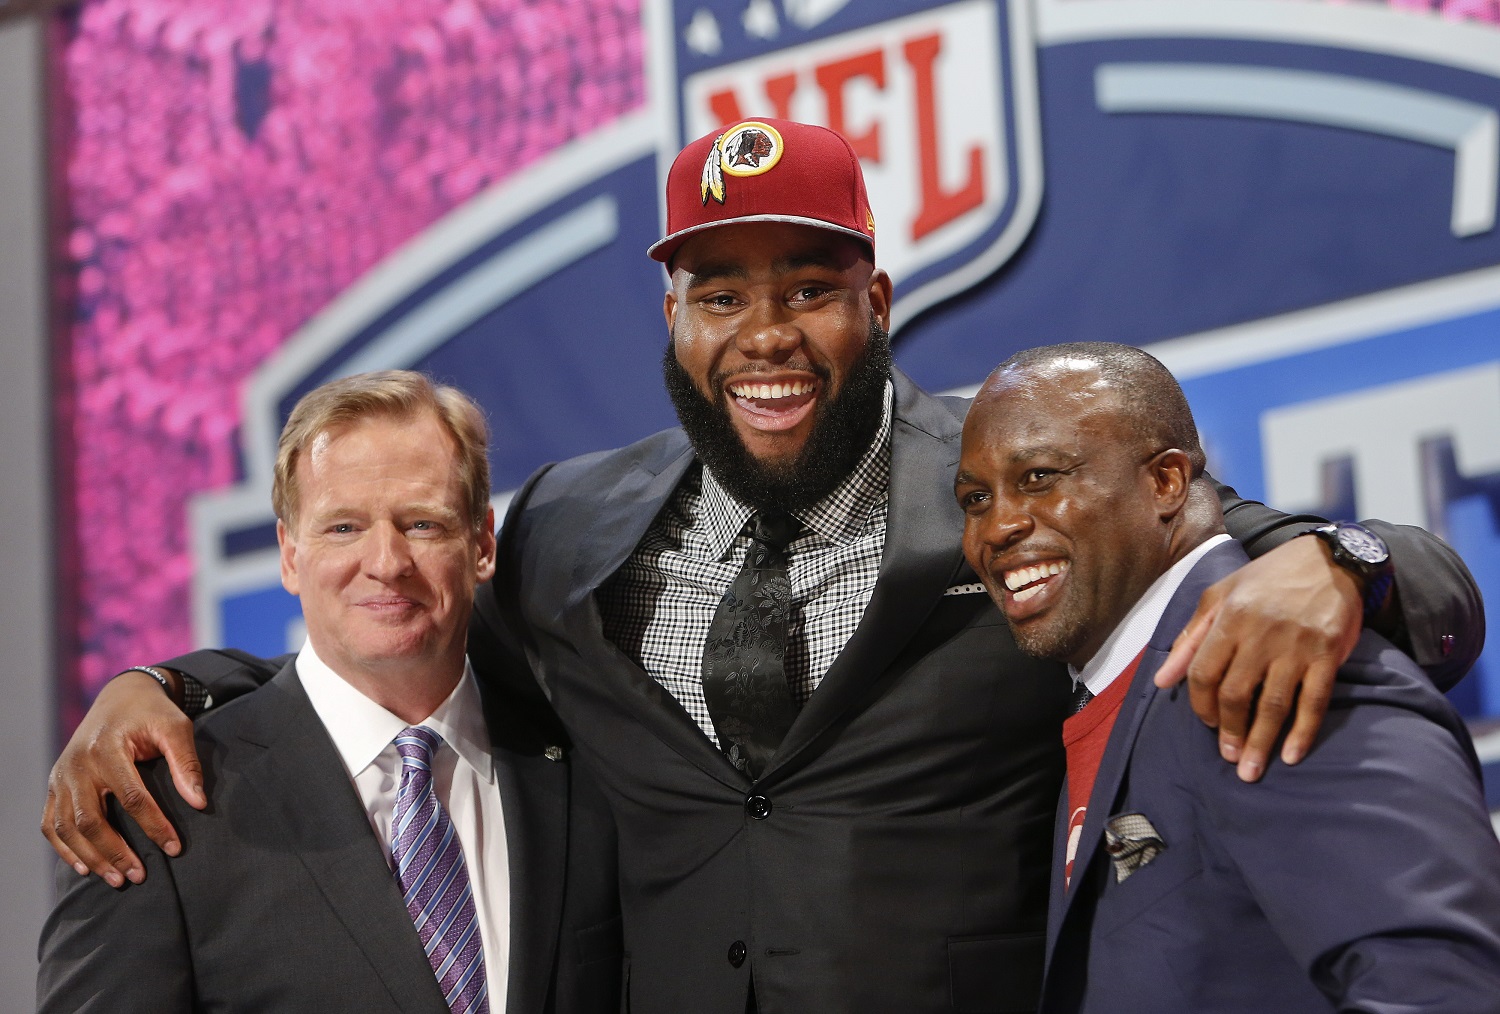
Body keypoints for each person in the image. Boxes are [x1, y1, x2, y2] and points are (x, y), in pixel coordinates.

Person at [43, 120, 1482, 1013]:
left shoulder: (1012, 504)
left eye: (807, 288)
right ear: (673, 314)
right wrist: (161, 679)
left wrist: (1337, 563)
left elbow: (1385, 578)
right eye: (718, 294)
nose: (764, 334)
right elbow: (395, 642)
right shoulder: (561, 528)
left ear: (878, 298)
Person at [37, 372, 621, 1014]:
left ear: (481, 542)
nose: (386, 561)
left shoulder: (590, 763)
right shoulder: (157, 808)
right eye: (343, 528)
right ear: (289, 553)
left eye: (422, 524)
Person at [955, 342, 1500, 1013]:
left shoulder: (1273, 665)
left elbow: (1444, 990)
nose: (998, 525)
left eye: (1039, 477)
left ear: (1166, 482)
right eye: (975, 498)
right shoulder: (1115, 692)